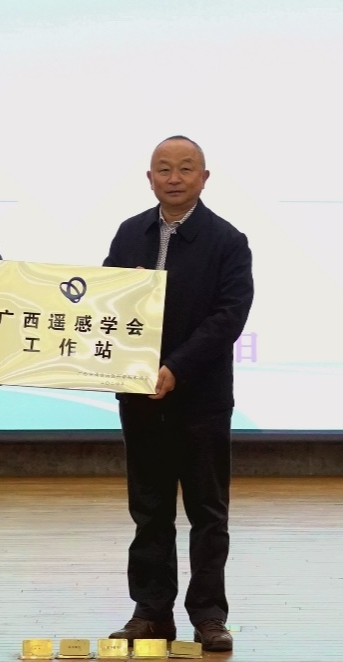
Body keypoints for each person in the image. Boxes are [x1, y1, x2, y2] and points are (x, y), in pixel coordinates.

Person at [102, 135, 254, 654]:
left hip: (200, 397)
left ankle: (209, 615)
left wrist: (176, 368)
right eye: (163, 168)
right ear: (149, 178)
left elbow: (228, 318)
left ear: (204, 178)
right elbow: (103, 306)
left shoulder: (228, 241)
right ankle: (151, 613)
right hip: (138, 395)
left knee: (208, 512)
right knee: (149, 510)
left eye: (185, 168)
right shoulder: (130, 234)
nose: (174, 177)